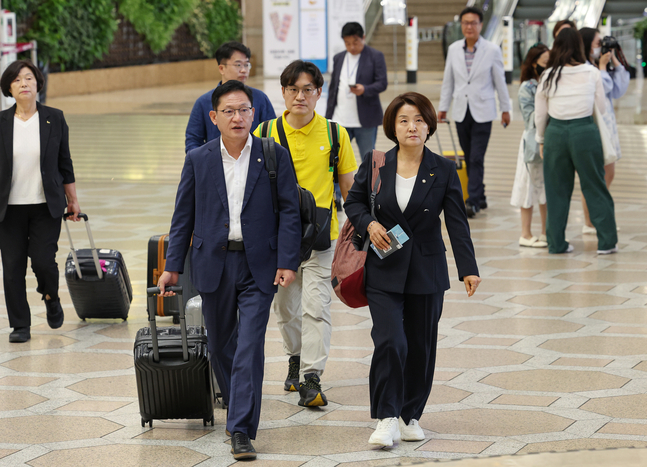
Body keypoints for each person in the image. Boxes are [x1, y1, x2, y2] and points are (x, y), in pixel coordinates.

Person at [157, 80, 301, 460]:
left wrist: (288, 261)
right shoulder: (199, 158)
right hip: (213, 264)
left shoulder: (272, 154)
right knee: (222, 346)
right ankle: (238, 404)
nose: (238, 117)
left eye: (244, 110)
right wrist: (172, 267)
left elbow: (289, 210)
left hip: (260, 265)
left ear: (254, 114)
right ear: (214, 117)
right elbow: (182, 216)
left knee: (250, 346)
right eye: (229, 111)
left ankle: (239, 429)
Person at [344, 92, 480, 446]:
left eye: (419, 119)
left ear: (429, 125)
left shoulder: (444, 168)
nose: (412, 126)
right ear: (392, 126)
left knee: (421, 346)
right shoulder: (376, 163)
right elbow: (354, 201)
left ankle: (410, 414)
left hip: (426, 270)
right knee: (390, 341)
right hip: (384, 267)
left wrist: (468, 268)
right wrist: (369, 225)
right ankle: (386, 418)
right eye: (404, 120)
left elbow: (456, 221)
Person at [255, 60, 358, 408]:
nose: (300, 96)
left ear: (319, 93)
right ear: (282, 92)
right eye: (293, 89)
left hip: (320, 238)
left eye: (308, 90)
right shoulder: (264, 133)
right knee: (285, 309)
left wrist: (360, 228)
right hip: (277, 241)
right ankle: (295, 357)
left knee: (317, 307)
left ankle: (311, 378)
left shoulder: (334, 133)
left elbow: (350, 188)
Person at [0, 59, 81, 344]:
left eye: (29, 78)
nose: (24, 83)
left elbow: (65, 162)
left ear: (38, 84)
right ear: (9, 88)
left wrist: (72, 201)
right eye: (17, 80)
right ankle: (20, 325)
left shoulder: (54, 117)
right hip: (8, 208)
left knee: (45, 261)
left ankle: (51, 296)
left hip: (44, 205)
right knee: (13, 268)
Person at [535, 28, 618, 255]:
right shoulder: (591, 73)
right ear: (581, 47)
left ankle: (556, 243)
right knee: (595, 185)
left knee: (556, 190)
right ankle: (607, 242)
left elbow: (540, 114)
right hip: (585, 132)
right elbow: (600, 108)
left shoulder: (548, 75)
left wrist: (541, 139)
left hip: (556, 134)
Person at [438, 6, 511, 218]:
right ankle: (481, 193)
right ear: (461, 25)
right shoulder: (453, 49)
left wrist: (506, 109)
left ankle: (473, 200)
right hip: (461, 110)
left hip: (483, 111)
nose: (469, 27)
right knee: (469, 156)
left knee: (477, 157)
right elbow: (448, 81)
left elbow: (500, 82)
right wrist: (443, 107)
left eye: (474, 23)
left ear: (480, 25)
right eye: (465, 23)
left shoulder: (491, 50)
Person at [578, 27, 629, 235]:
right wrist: (600, 66)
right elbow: (602, 87)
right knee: (593, 177)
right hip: (594, 126)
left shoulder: (599, 66)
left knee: (609, 173)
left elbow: (618, 90)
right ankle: (590, 222)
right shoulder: (583, 67)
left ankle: (597, 215)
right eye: (598, 43)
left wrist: (614, 62)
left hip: (608, 126)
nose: (602, 47)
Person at [185, 41, 276, 153]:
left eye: (247, 64)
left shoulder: (260, 98)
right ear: (221, 69)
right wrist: (204, 163)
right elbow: (193, 140)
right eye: (238, 65)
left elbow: (272, 134)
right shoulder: (203, 102)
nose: (244, 70)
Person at [326, 22, 387, 160]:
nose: (351, 47)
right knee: (335, 159)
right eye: (347, 43)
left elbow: (382, 83)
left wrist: (365, 89)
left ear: (363, 38)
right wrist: (327, 117)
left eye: (355, 42)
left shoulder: (375, 56)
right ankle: (337, 183)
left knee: (368, 159)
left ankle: (367, 182)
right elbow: (333, 88)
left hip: (365, 120)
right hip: (339, 119)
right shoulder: (339, 58)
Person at [511, 43, 550, 248]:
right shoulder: (527, 87)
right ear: (534, 63)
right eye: (545, 61)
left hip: (549, 140)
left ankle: (546, 232)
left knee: (546, 187)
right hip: (532, 143)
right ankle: (525, 234)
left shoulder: (552, 82)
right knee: (528, 186)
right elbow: (530, 118)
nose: (548, 65)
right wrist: (548, 105)